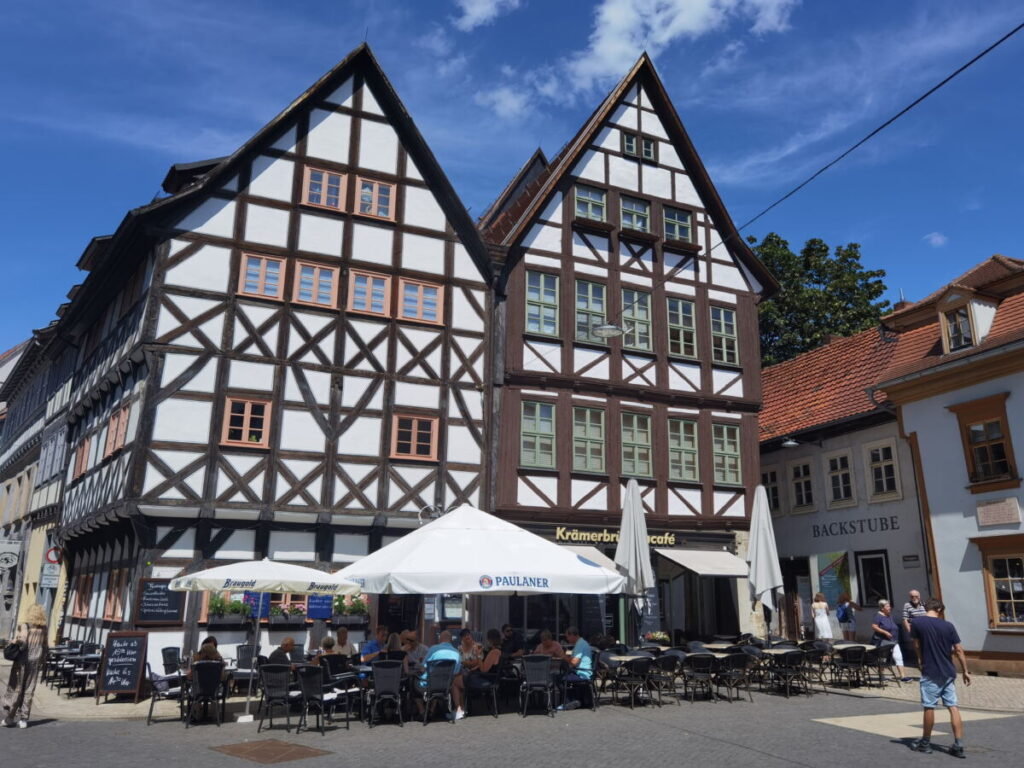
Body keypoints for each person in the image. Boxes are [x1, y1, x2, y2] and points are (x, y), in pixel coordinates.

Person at [909, 598, 971, 757]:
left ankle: (925, 743)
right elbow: (958, 650)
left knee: (929, 706)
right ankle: (958, 744)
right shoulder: (948, 626)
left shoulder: (917, 623)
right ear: (939, 610)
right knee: (953, 706)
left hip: (931, 671)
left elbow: (916, 644)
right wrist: (965, 670)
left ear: (926, 608)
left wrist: (920, 659)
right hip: (948, 672)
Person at [2, 604, 48, 729]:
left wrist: (14, 641)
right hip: (35, 663)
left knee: (16, 689)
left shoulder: (25, 626)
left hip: (22, 663)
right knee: (29, 690)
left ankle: (10, 717)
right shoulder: (43, 628)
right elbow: (45, 647)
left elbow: (22, 644)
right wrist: (43, 662)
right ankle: (23, 719)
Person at [415, 630, 464, 720]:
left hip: (429, 684)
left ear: (440, 639)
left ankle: (422, 711)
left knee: (414, 683)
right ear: (451, 640)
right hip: (446, 685)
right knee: (437, 681)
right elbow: (456, 673)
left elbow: (423, 667)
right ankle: (432, 709)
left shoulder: (433, 649)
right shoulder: (457, 653)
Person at [871, 599, 910, 682]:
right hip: (883, 641)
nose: (890, 608)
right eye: (887, 606)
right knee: (883, 658)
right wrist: (885, 632)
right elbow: (874, 626)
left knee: (898, 657)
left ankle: (903, 676)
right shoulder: (878, 616)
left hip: (894, 640)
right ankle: (881, 676)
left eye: (889, 606)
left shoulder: (889, 615)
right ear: (882, 608)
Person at [558, 626, 593, 710]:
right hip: (581, 671)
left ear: (573, 635)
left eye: (567, 636)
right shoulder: (580, 643)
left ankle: (569, 702)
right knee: (562, 675)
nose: (567, 639)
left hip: (582, 673)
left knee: (559, 679)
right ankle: (574, 699)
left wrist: (563, 656)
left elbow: (574, 662)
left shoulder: (580, 644)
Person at [902, 589, 927, 666]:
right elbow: (905, 619)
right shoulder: (907, 605)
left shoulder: (924, 604)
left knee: (926, 645)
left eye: (916, 596)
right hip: (915, 630)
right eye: (912, 596)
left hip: (925, 629)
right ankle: (920, 662)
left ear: (919, 597)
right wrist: (910, 632)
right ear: (910, 597)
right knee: (917, 646)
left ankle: (928, 661)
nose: (914, 598)